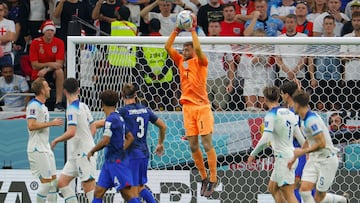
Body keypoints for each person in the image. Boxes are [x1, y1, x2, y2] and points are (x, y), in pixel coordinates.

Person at [165, 17, 218, 197]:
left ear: (193, 50)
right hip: (187, 109)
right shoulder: (180, 61)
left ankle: (213, 178)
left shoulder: (201, 62)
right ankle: (203, 177)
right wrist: (176, 31)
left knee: (206, 143)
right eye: (183, 48)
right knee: (194, 146)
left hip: (202, 107)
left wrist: (193, 31)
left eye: (187, 48)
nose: (184, 50)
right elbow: (167, 47)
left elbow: (199, 50)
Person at [288, 90, 348, 203]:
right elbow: (308, 139)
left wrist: (302, 152)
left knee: (318, 199)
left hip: (327, 160)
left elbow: (322, 143)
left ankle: (343, 200)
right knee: (304, 191)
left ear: (297, 104)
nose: (292, 107)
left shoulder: (312, 120)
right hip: (314, 160)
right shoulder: (302, 118)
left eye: (293, 104)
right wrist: (295, 157)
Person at [247, 86, 303, 203]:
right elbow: (299, 136)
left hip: (284, 159)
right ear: (278, 97)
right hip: (288, 156)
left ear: (264, 99)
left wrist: (253, 154)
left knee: (288, 193)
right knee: (273, 188)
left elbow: (265, 138)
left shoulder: (271, 115)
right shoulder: (289, 112)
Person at [87, 90, 140, 203]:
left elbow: (105, 141)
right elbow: (130, 137)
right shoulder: (118, 117)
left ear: (102, 104)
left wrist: (92, 151)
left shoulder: (111, 120)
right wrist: (121, 149)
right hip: (109, 163)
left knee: (127, 194)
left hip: (117, 163)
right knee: (98, 192)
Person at [117, 83, 167, 203]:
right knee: (140, 187)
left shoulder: (122, 112)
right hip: (143, 153)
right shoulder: (145, 110)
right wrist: (160, 143)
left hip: (131, 154)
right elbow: (163, 126)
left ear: (122, 95)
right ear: (135, 94)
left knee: (131, 192)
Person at [51, 78, 97, 203]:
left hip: (84, 153)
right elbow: (93, 127)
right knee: (62, 183)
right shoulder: (84, 106)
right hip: (77, 153)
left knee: (88, 187)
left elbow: (71, 132)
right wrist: (87, 140)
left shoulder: (72, 109)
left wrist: (56, 140)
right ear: (79, 90)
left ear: (64, 91)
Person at [26, 77, 63, 203]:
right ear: (41, 90)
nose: (50, 88)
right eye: (47, 86)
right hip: (37, 149)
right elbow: (31, 126)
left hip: (45, 148)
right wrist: (51, 123)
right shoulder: (33, 106)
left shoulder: (44, 107)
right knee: (46, 184)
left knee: (53, 183)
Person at [29, 20, 65, 111]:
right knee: (39, 76)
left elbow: (59, 64)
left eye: (52, 30)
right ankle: (40, 103)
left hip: (51, 71)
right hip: (38, 72)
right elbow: (34, 65)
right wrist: (49, 64)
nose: (50, 32)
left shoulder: (59, 42)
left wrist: (47, 69)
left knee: (59, 71)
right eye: (48, 30)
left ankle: (58, 103)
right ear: (44, 31)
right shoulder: (35, 42)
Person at [275, 14, 307, 88]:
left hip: (300, 75)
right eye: (287, 22)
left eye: (291, 22)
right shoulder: (279, 39)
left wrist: (294, 71)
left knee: (298, 98)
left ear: (296, 24)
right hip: (284, 75)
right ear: (285, 24)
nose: (289, 24)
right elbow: (278, 59)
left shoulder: (303, 37)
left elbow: (304, 58)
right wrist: (288, 72)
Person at [0, 2, 16, 67]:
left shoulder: (10, 23)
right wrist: (5, 37)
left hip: (6, 55)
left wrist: (7, 37)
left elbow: (11, 37)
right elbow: (7, 37)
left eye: (0, 10)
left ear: (4, 11)